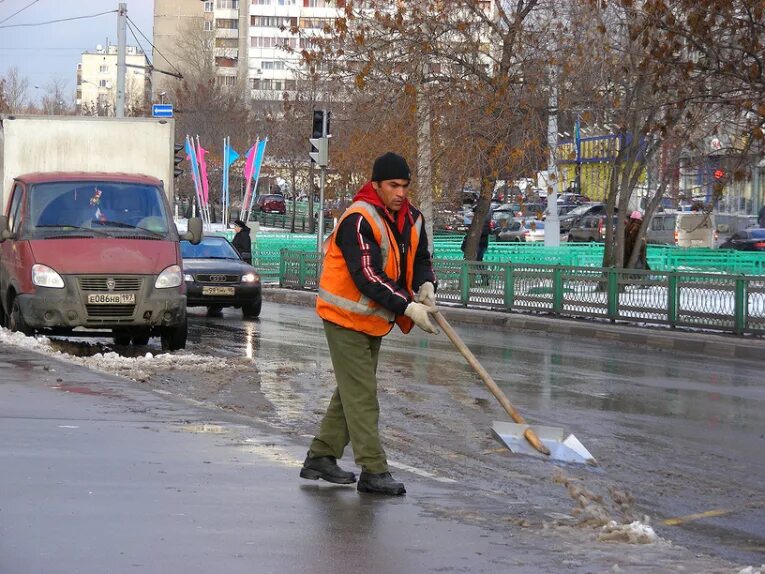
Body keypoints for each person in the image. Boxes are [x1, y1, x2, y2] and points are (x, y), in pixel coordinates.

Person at [300, 152, 438, 496]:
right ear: (376, 185)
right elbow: (368, 276)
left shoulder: (412, 218)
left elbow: (421, 257)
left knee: (351, 391)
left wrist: (427, 284)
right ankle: (373, 469)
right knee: (362, 393)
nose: (401, 192)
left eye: (405, 185)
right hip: (343, 316)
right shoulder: (358, 219)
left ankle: (320, 456)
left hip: (373, 318)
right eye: (394, 185)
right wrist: (407, 306)